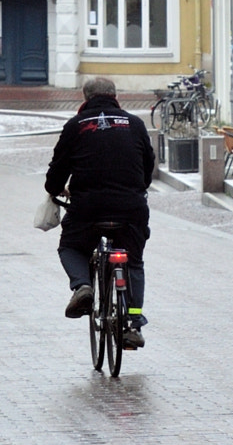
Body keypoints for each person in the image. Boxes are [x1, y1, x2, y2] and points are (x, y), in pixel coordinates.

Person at [44, 73, 155, 346]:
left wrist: (58, 189)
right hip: (131, 208)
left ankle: (82, 285)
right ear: (115, 97)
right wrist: (136, 187)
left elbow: (56, 174)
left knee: (70, 247)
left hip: (87, 208)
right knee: (134, 260)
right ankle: (132, 323)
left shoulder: (76, 125)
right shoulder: (135, 123)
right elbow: (148, 168)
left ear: (86, 98)